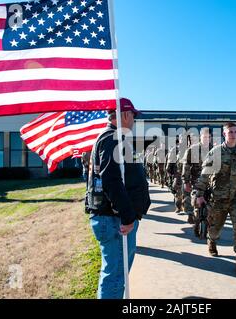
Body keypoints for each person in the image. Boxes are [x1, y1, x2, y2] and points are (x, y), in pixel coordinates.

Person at [88, 98, 151, 299]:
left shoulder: (114, 137)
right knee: (115, 278)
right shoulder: (113, 138)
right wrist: (127, 216)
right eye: (132, 115)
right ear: (124, 114)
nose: (134, 119)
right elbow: (111, 181)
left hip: (113, 218)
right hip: (115, 220)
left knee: (115, 276)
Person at [195, 122, 236, 276]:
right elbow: (205, 174)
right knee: (215, 229)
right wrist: (200, 195)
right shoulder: (215, 152)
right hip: (218, 198)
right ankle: (212, 241)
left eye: (235, 132)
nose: (233, 135)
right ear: (224, 134)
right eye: (230, 132)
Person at [182, 128, 212, 228]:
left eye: (208, 137)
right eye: (204, 137)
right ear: (200, 137)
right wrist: (186, 182)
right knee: (196, 202)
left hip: (211, 182)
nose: (207, 139)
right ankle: (195, 218)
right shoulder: (192, 149)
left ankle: (210, 227)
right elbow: (186, 166)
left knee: (212, 205)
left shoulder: (215, 150)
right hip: (196, 181)